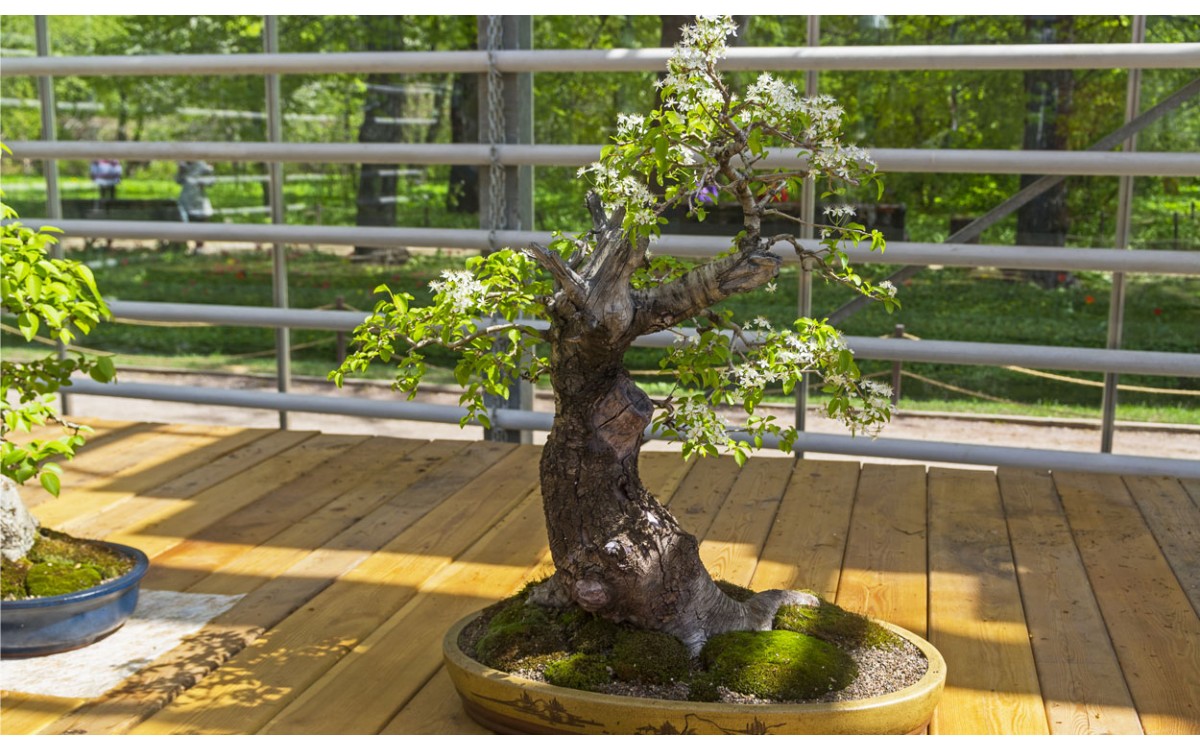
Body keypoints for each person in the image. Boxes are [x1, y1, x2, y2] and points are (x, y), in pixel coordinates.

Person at [176, 161, 216, 250]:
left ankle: (199, 247)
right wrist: (181, 171)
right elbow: (178, 180)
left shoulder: (202, 166)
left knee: (200, 224)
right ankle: (183, 247)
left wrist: (200, 181)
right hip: (186, 200)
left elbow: (211, 181)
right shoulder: (184, 167)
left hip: (199, 201)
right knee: (185, 223)